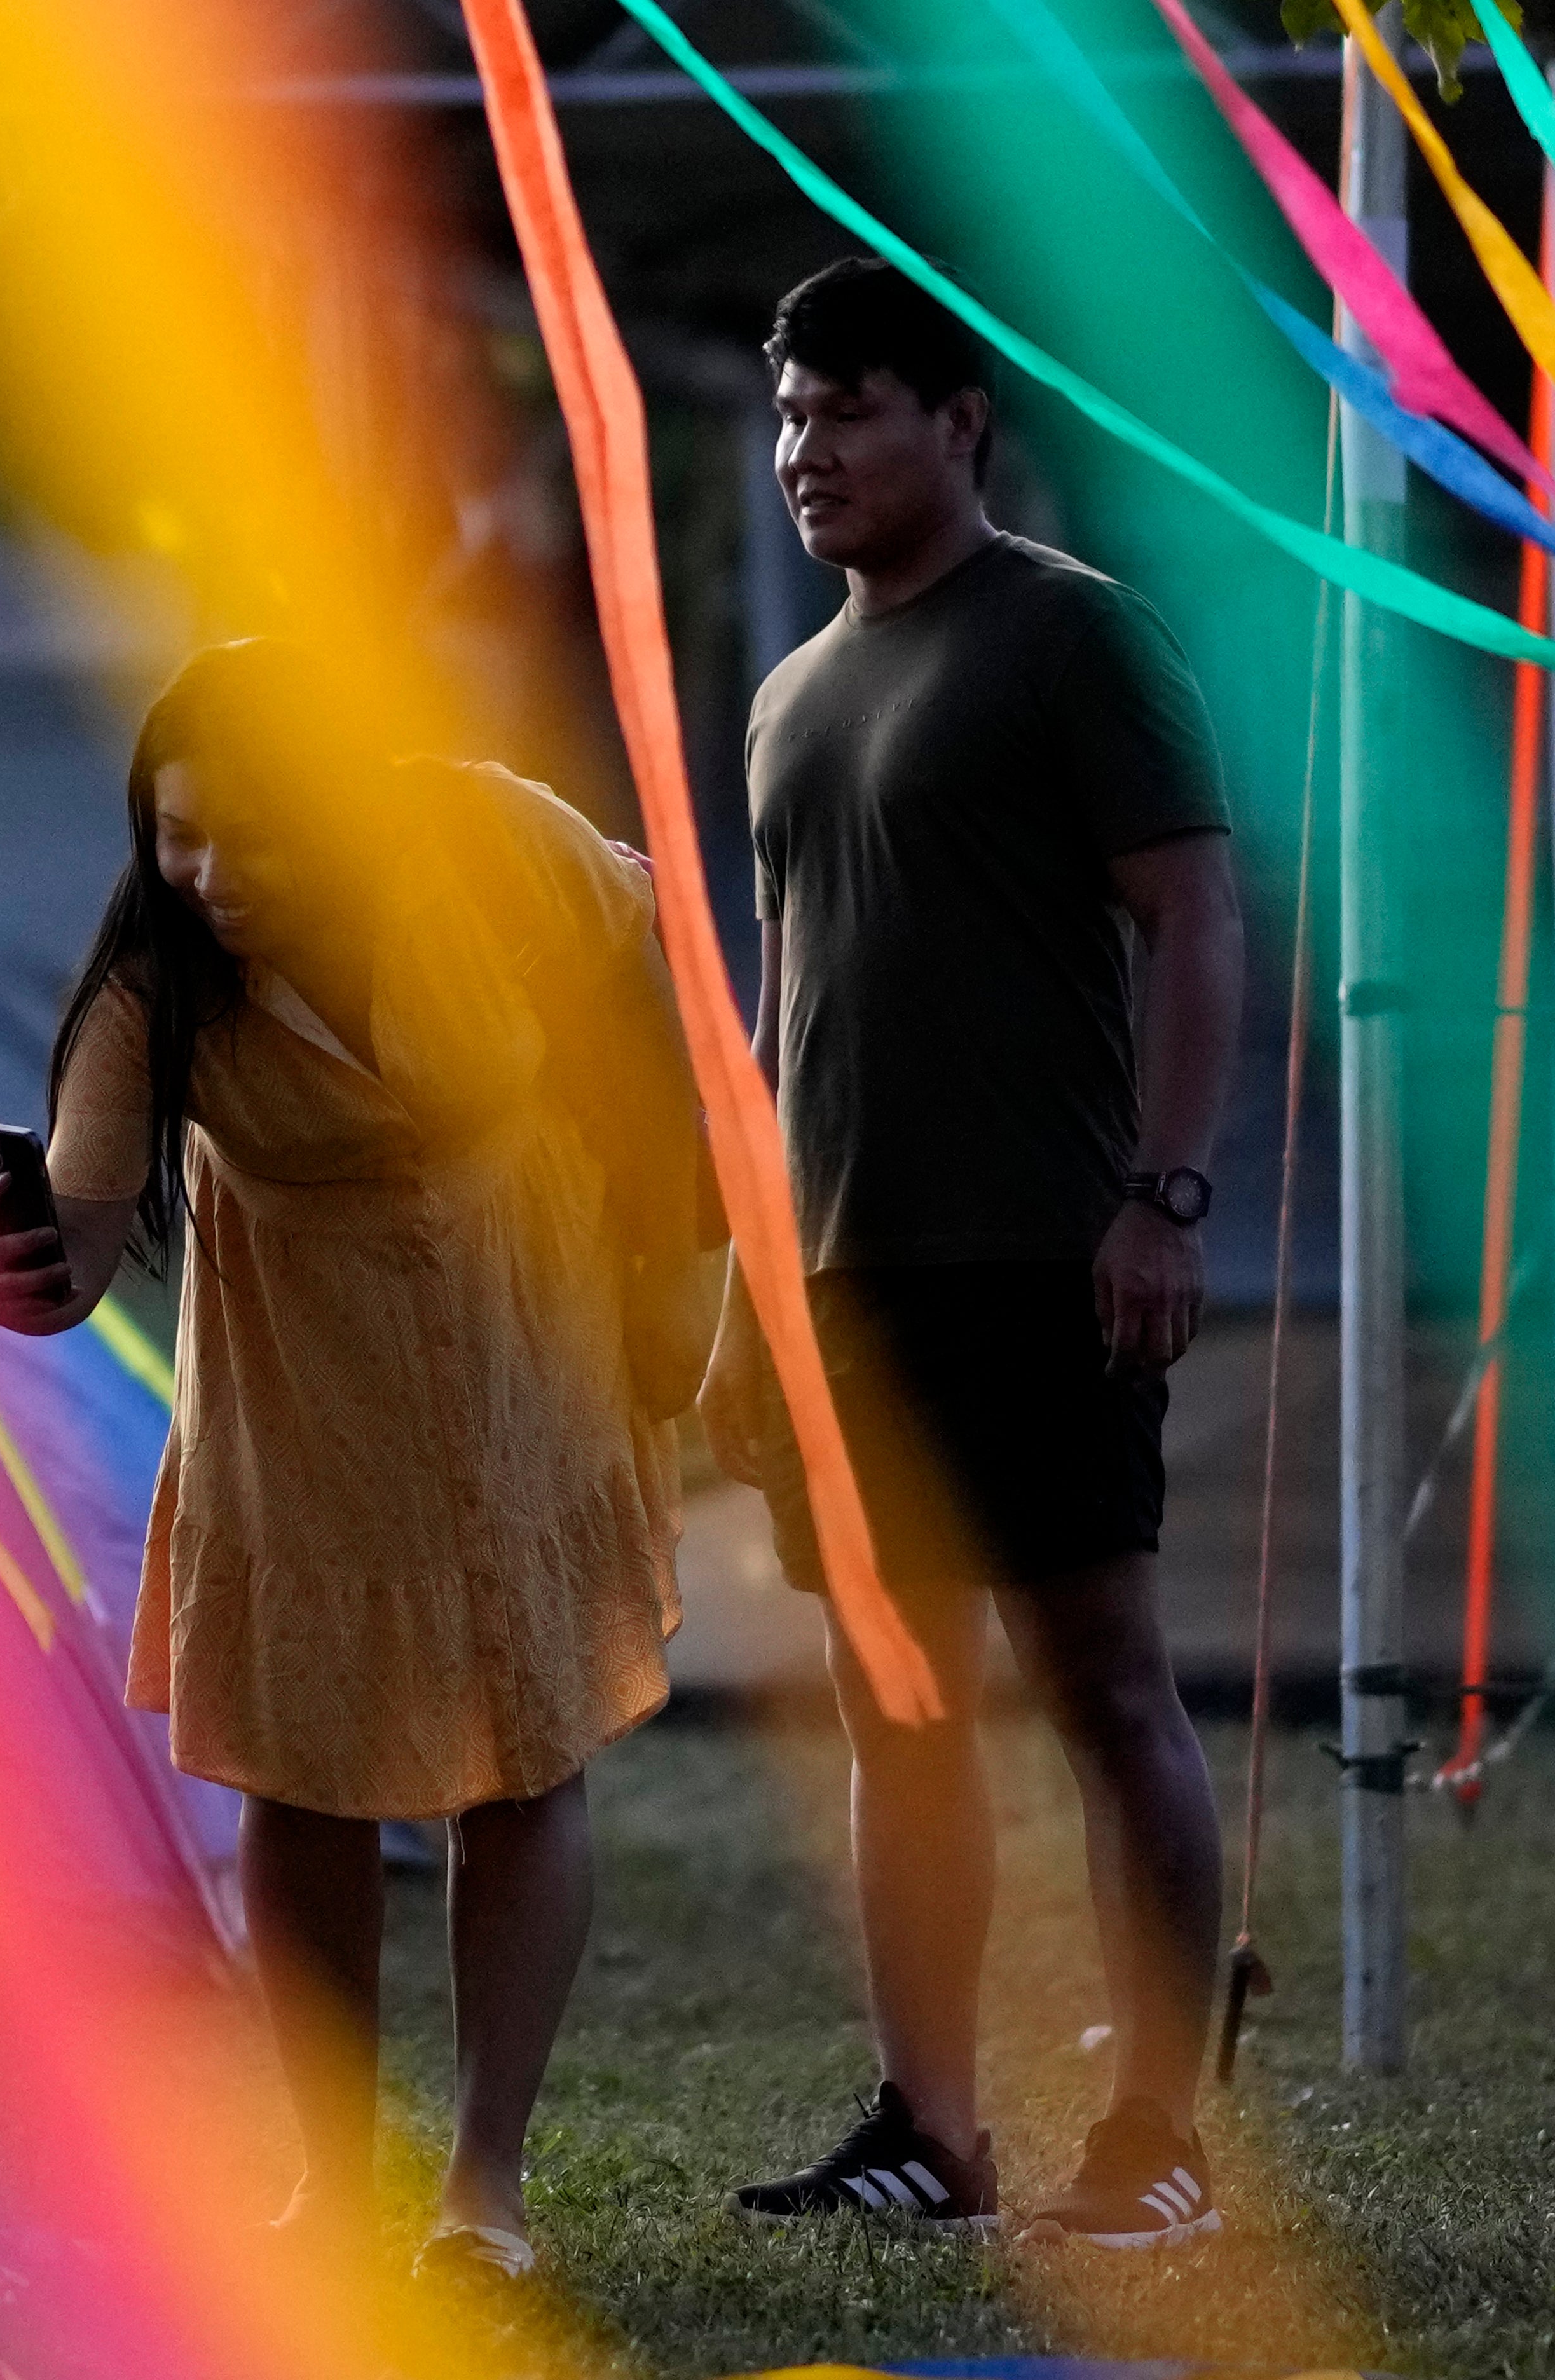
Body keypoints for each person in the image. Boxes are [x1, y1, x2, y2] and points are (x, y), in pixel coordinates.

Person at [0, 641, 704, 2280]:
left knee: (524, 1761)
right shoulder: (155, 987)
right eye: (183, 834)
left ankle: (482, 2191)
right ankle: (323, 2184)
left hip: (528, 1359)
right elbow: (78, 1247)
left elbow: (656, 1036)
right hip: (303, 1408)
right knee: (301, 1786)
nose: (217, 876)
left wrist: (680, 1268)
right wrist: (24, 1274)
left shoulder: (501, 849)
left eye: (260, 835)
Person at [710, 259, 1245, 2248]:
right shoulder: (787, 695)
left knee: (1104, 1683)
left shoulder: (1073, 642)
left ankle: (1160, 2134)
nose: (805, 454)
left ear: (961, 423)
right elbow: (792, 1002)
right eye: (787, 418)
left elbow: (1197, 925)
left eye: (847, 412)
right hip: (849, 1277)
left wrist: (1163, 1197)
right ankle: (933, 2130)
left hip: (1050, 1255)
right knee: (894, 1706)